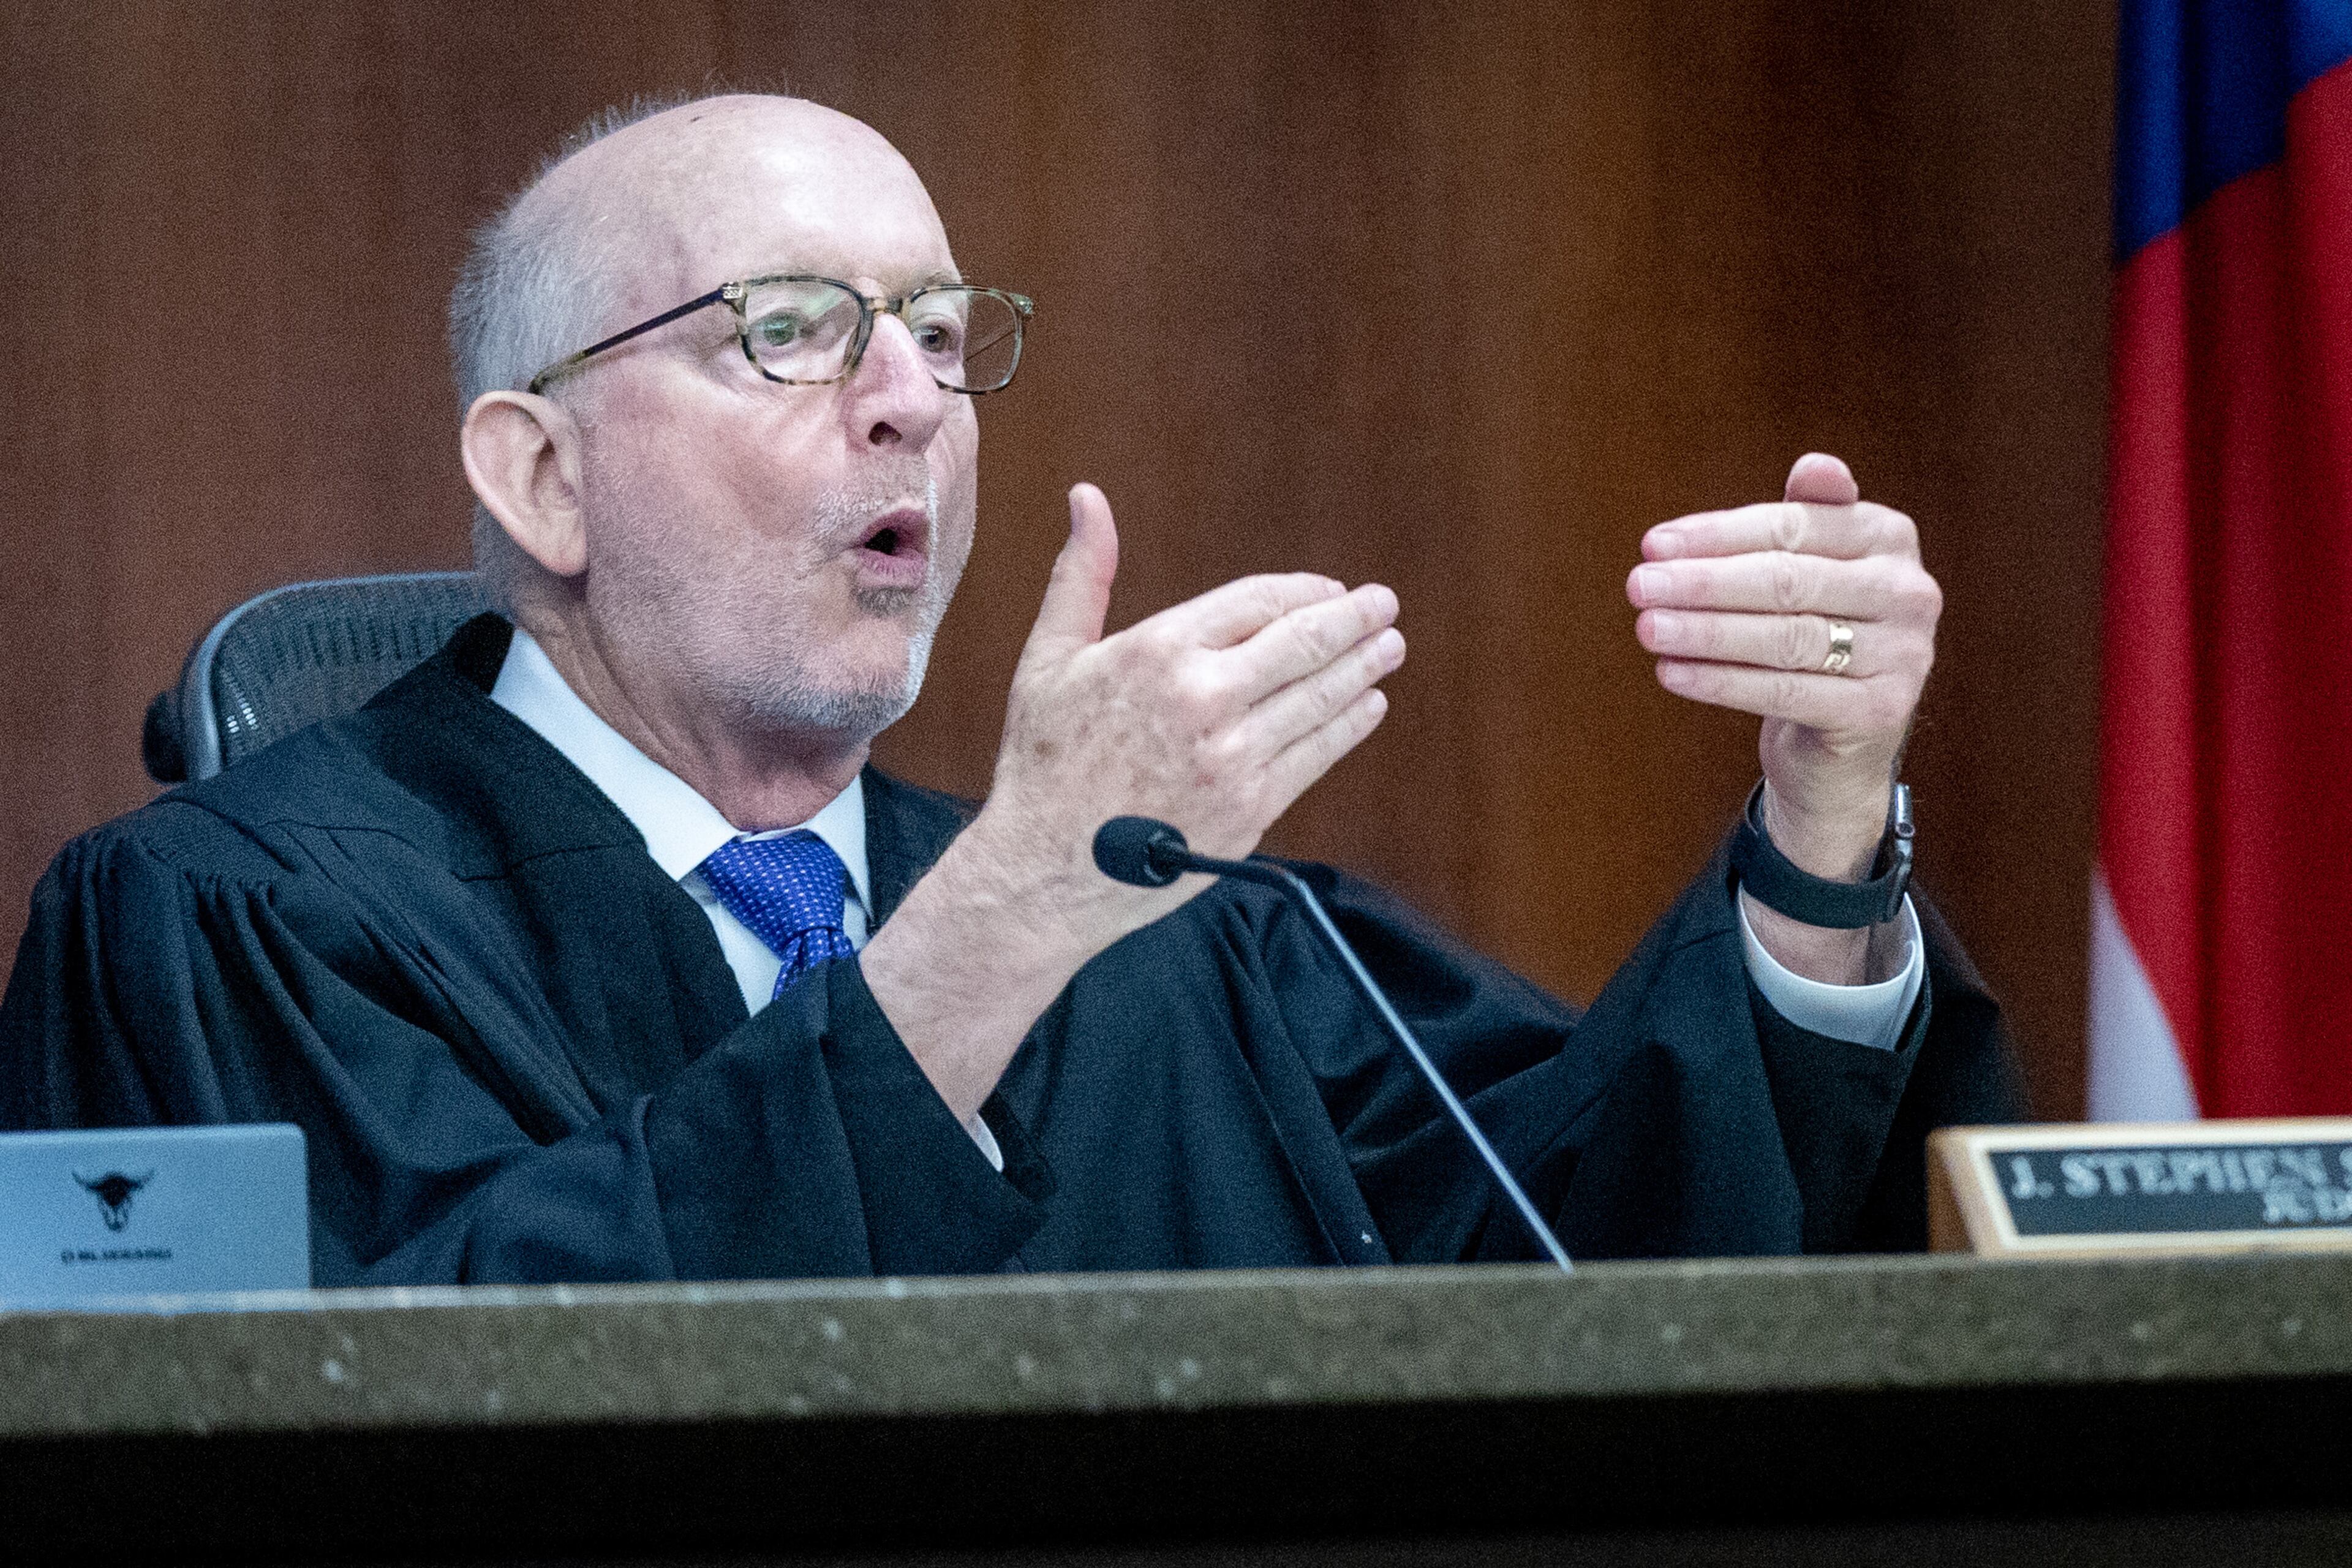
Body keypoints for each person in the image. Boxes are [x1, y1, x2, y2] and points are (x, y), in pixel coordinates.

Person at [0, 94, 2022, 1284]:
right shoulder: (229, 921)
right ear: (541, 473)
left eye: (945, 335)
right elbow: (401, 1409)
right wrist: (994, 935)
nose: (912, 403)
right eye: (793, 332)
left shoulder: (1176, 940)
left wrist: (1819, 833)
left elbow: (1601, 1269)